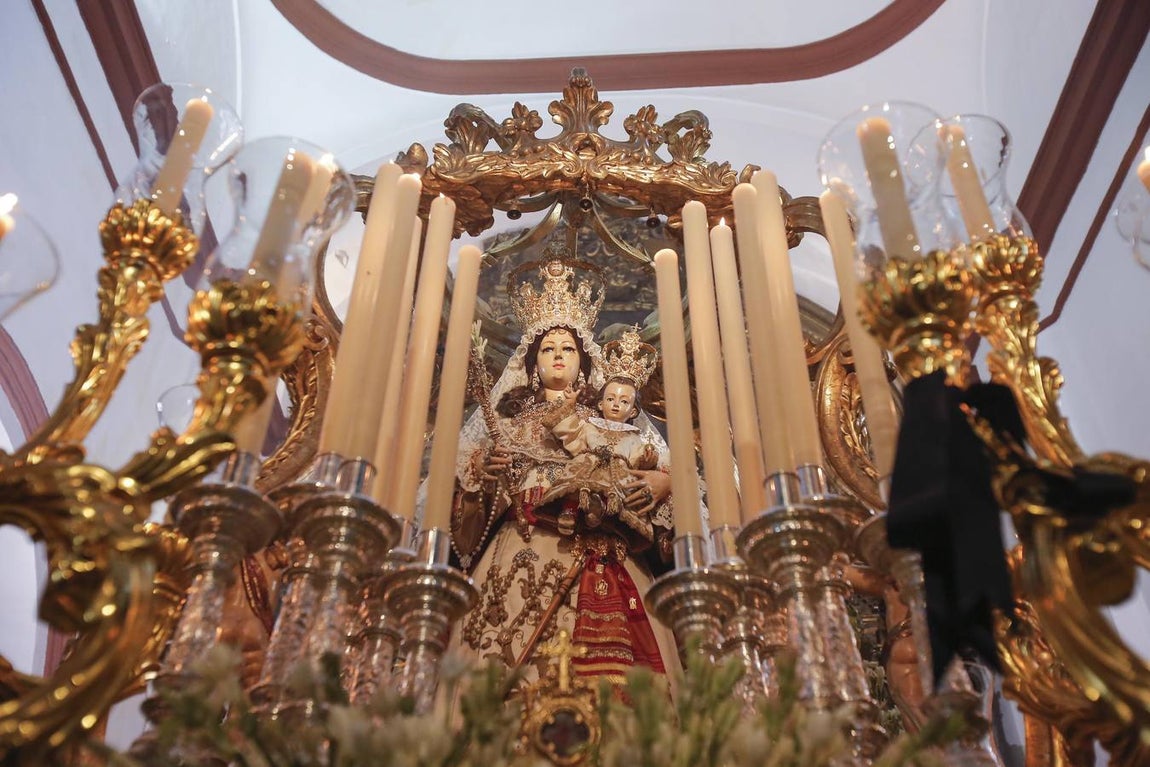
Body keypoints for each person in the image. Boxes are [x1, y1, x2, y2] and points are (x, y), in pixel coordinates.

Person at [451, 257, 677, 685]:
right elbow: (465, 526)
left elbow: (657, 469)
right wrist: (486, 480)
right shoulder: (507, 426)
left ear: (584, 360)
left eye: (568, 348)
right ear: (532, 363)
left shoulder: (613, 423)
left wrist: (664, 482)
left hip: (602, 550)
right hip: (519, 551)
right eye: (548, 349)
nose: (558, 356)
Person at [542, 327, 672, 553]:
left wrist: (650, 461)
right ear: (600, 404)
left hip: (617, 476)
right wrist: (569, 406)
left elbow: (642, 459)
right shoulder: (591, 426)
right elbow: (569, 431)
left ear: (633, 412)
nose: (615, 405)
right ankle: (570, 511)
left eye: (624, 402)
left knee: (614, 498)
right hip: (586, 467)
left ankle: (598, 515)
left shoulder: (635, 438)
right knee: (575, 486)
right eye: (610, 399)